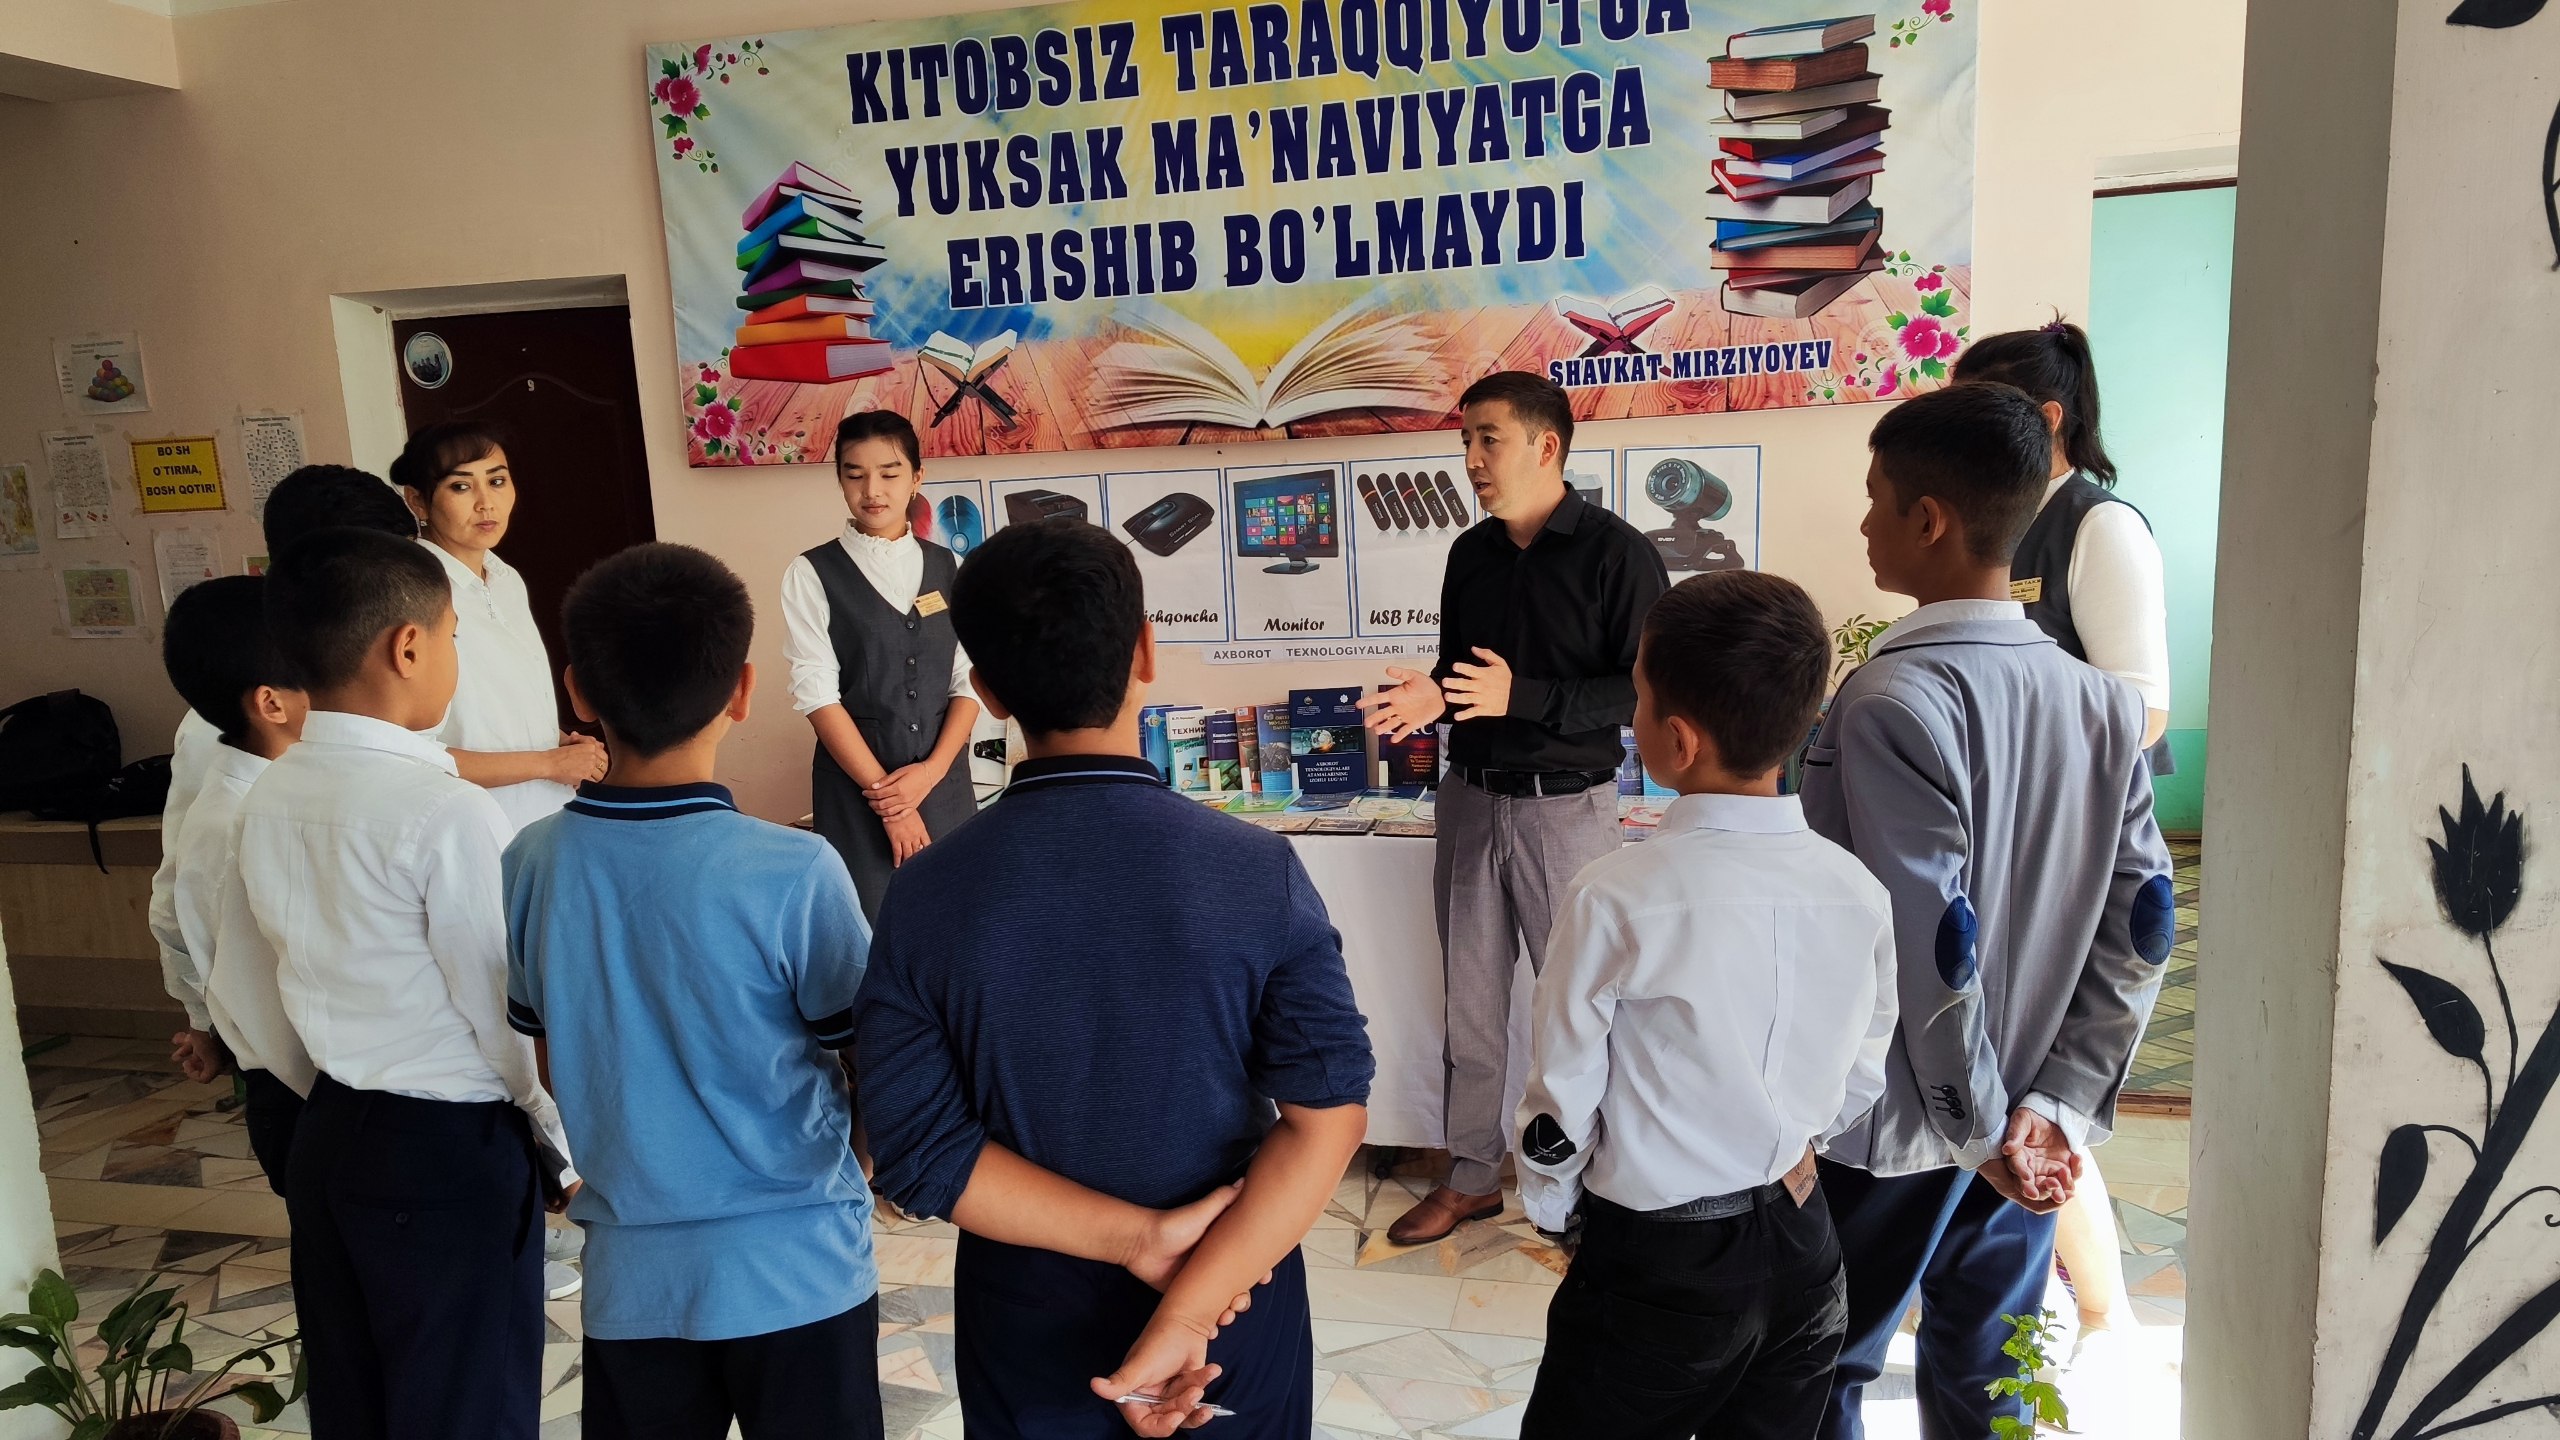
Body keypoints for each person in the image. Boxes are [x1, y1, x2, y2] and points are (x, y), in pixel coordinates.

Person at [858, 519, 1374, 1438]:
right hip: (1232, 1298)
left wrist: (1138, 1243)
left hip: (1029, 1321)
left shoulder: (927, 893)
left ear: (985, 689)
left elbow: (918, 1149)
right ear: (1145, 650)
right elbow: (1326, 1118)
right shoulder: (1254, 870)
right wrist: (1187, 1313)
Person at [1802, 384, 2174, 1440]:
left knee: (1826, 1366)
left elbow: (1933, 941)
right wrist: (2055, 1103)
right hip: (2021, 1123)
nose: (1863, 522)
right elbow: (2144, 923)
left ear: (1927, 520)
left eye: (1874, 498)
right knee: (1991, 1370)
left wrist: (1973, 1129)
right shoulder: (2100, 702)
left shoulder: (1887, 702)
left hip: (1893, 1129)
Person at [501, 543, 887, 1439]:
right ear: (742, 691)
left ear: (578, 691)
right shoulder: (795, 868)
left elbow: (552, 1056)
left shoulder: (533, 862)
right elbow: (875, 1056)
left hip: (634, 1280)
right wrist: (858, 1166)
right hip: (801, 1265)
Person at [1515, 570, 1896, 1440]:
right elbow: (1864, 1068)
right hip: (1806, 1247)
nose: (1633, 715)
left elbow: (1562, 1093)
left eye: (1639, 697)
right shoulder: (1856, 889)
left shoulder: (1616, 895)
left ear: (1677, 740)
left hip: (1657, 1262)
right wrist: (1790, 1141)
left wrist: (1555, 1207)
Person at [240, 527, 577, 1440]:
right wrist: (549, 1130)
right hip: (445, 1151)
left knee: (358, 1401)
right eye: (456, 636)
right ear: (409, 647)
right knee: (468, 1405)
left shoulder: (270, 790)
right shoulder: (443, 810)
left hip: (329, 1129)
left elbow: (254, 983)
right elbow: (499, 1007)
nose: (456, 656)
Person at [1358, 370, 1668, 1245]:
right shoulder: (1471, 554)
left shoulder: (1617, 554)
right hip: (1469, 802)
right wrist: (1432, 697)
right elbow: (1464, 678)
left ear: (1546, 445)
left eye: (1487, 439)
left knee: (1582, 1009)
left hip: (1566, 812)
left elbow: (1643, 690)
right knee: (1471, 1010)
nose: (1470, 459)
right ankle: (1469, 1176)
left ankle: (1599, 1185)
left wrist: (1521, 696)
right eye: (1465, 441)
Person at [1953, 320, 2170, 1342]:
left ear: (2046, 419)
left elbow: (2142, 707)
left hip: (2075, 845)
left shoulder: (2098, 526)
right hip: (2008, 837)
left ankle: (2100, 1312)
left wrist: (2027, 754)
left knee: (2044, 1079)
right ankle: (2070, 1303)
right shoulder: (1998, 524)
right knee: (2014, 1082)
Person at [150, 463, 415, 1085]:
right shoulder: (223, 735)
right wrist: (204, 1020)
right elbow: (182, 897)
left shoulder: (365, 676)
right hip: (307, 1063)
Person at [780, 410, 980, 918]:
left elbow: (967, 681)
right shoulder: (811, 572)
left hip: (944, 789)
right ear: (839, 479)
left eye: (889, 474)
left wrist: (930, 774)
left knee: (956, 929)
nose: (872, 490)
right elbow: (817, 696)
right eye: (855, 474)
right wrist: (891, 805)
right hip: (856, 797)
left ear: (917, 477)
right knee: (867, 933)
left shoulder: (951, 567)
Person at [157, 576, 312, 1192]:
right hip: (300, 1091)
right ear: (271, 704)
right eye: (324, 675)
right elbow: (180, 923)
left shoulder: (289, 789)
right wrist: (208, 1022)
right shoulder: (232, 823)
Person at [391, 423, 607, 833]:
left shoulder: (505, 578)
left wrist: (557, 742)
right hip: (473, 828)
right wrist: (547, 762)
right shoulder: (411, 593)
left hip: (543, 817)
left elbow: (494, 708)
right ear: (417, 501)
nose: (486, 503)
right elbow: (409, 753)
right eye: (461, 487)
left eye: (497, 481)